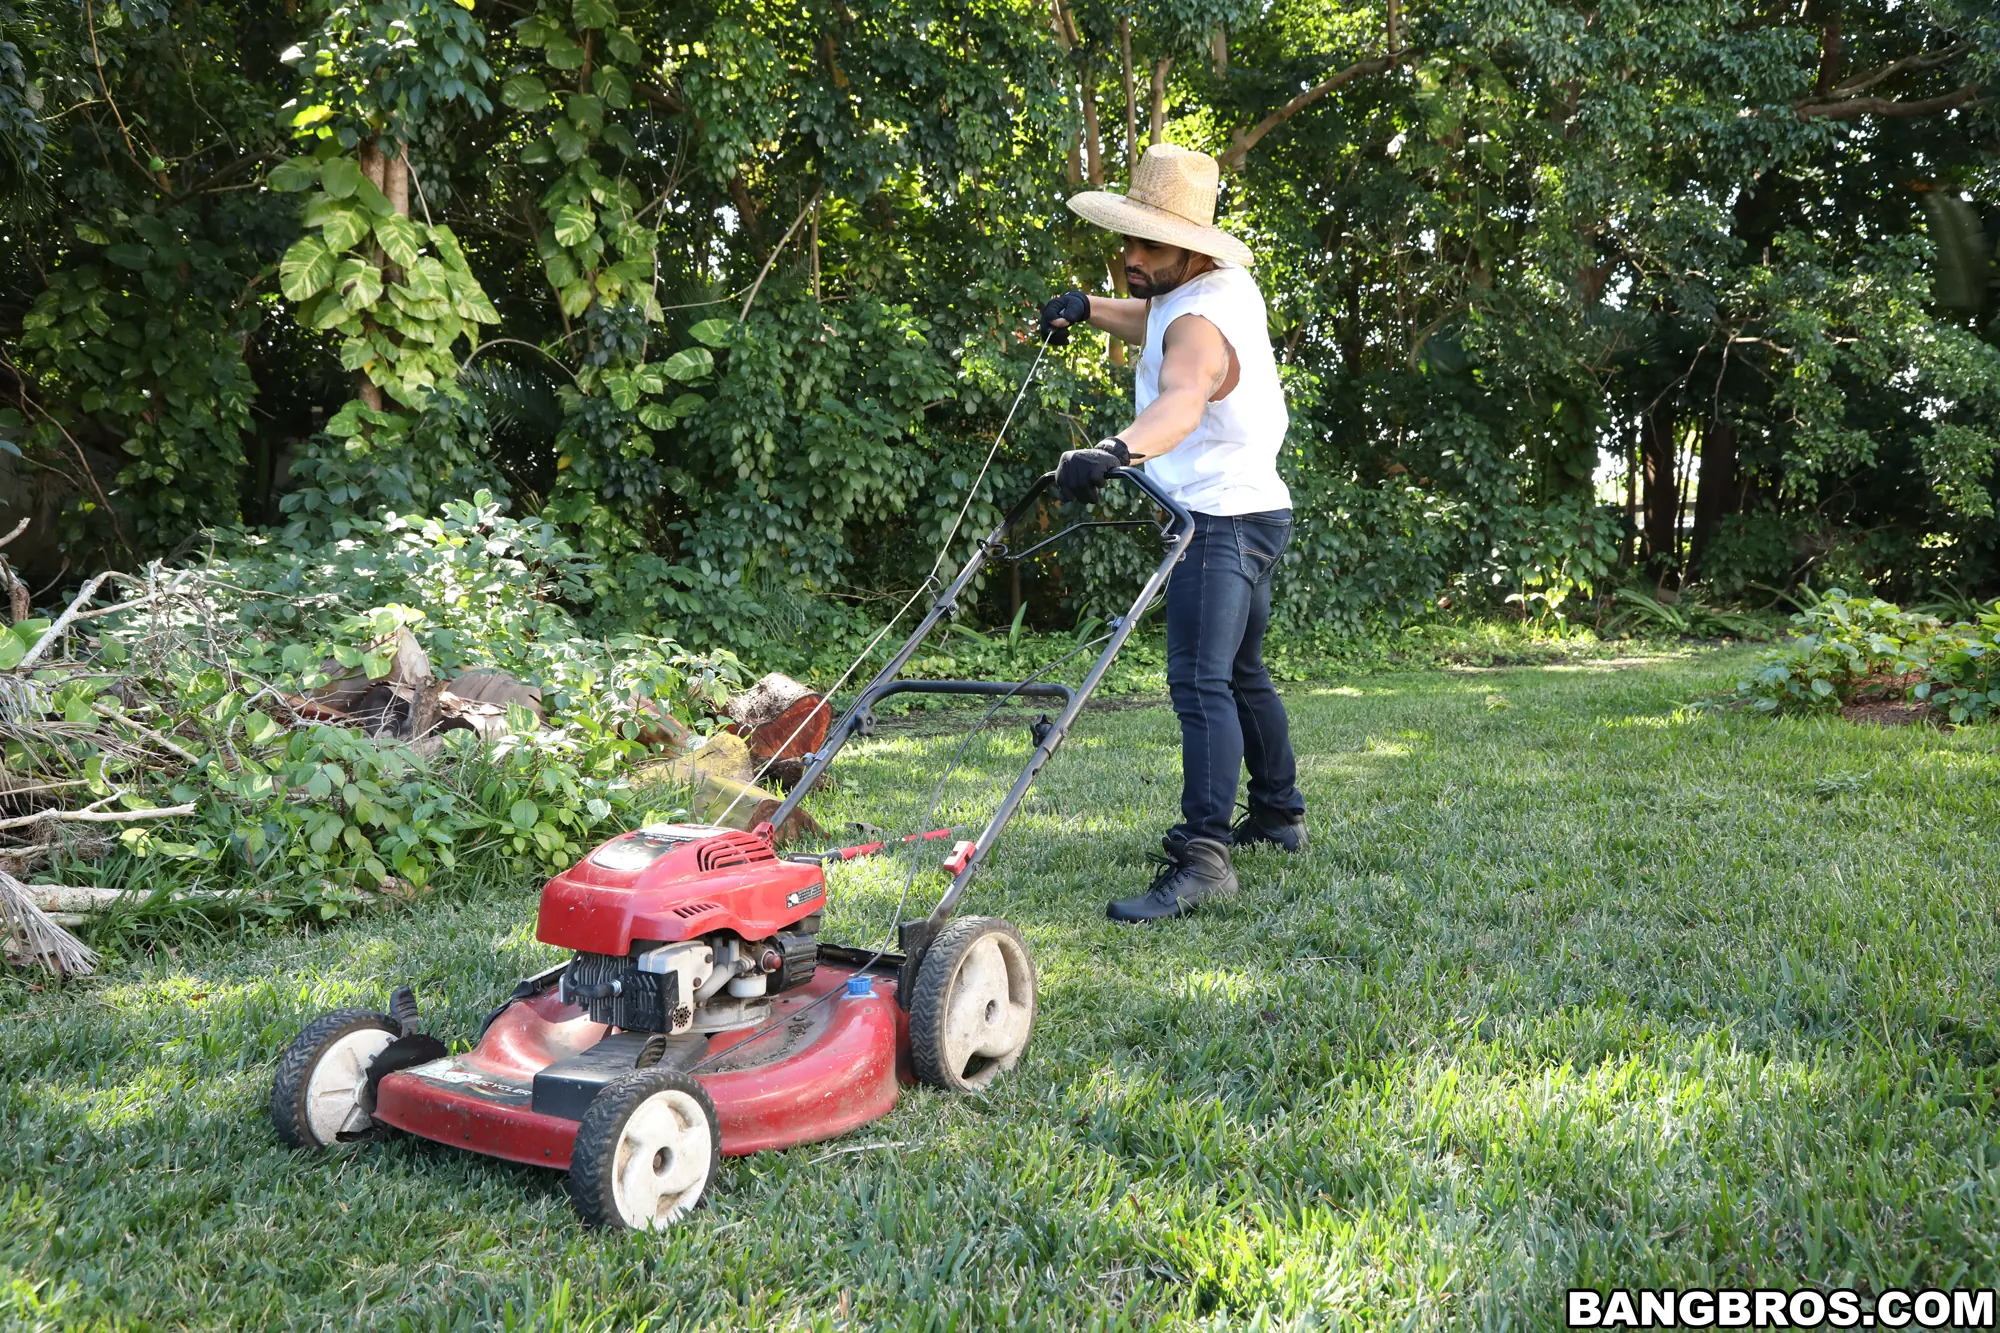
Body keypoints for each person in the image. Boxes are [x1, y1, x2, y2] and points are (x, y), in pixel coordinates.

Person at [1040, 142, 1307, 925]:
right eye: (1128, 239)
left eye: (1148, 246)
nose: (1131, 256)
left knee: (1199, 681)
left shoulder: (1198, 318)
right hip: (1257, 508)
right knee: (1242, 671)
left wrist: (1114, 450)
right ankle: (1279, 814)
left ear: (1188, 251)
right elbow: (1152, 322)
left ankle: (1204, 860)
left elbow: (1184, 394)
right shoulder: (1205, 287)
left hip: (1218, 519)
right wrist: (1089, 307)